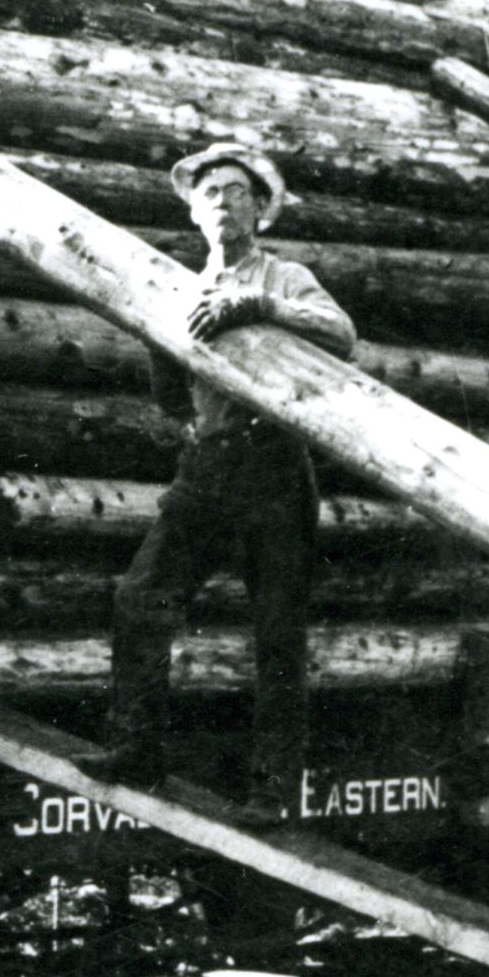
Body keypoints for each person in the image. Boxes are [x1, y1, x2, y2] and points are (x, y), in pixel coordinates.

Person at [102, 142, 361, 801]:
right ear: (194, 212)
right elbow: (169, 396)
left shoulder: (284, 276)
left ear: (259, 209)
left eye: (237, 191)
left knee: (276, 631)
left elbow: (341, 333)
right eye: (210, 192)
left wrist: (258, 307)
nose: (223, 201)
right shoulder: (182, 288)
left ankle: (273, 792)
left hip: (275, 467)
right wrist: (162, 347)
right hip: (209, 466)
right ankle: (136, 752)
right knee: (142, 598)